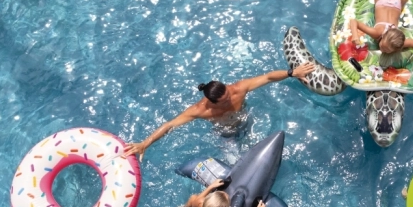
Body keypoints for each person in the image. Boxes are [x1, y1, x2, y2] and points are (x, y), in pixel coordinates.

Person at [122, 62, 315, 161]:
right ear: (211, 102)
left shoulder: (237, 89)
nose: (231, 98)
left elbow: (268, 77)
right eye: (225, 100)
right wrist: (145, 143)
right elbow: (169, 125)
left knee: (261, 152)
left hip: (246, 121)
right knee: (235, 163)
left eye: (229, 94)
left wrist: (291, 73)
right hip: (226, 135)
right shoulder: (200, 110)